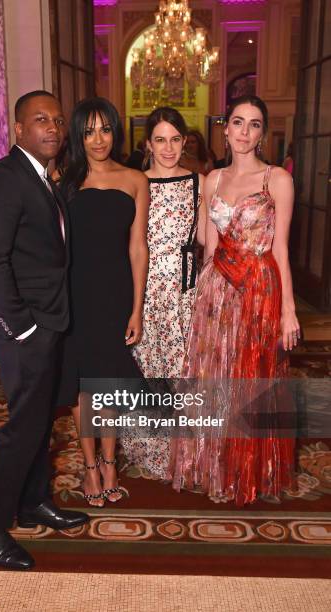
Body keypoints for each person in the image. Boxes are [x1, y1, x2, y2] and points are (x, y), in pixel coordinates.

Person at [0, 90, 89, 570]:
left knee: (41, 421)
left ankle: (32, 500)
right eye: (41, 120)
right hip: (21, 325)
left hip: (49, 318)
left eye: (58, 121)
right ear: (18, 128)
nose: (54, 129)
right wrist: (20, 327)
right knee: (23, 427)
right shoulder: (1, 179)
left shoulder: (42, 178)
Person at [168, 95, 299, 506]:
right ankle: (216, 464)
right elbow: (208, 245)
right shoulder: (213, 180)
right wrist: (199, 298)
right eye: (238, 123)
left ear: (262, 132)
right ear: (225, 128)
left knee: (250, 378)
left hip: (259, 287)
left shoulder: (276, 179)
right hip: (216, 287)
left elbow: (281, 251)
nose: (244, 132)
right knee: (215, 374)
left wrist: (289, 311)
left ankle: (249, 469)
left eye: (254, 124)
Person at [58, 97, 149, 507]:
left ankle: (111, 462)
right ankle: (90, 465)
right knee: (81, 388)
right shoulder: (62, 178)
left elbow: (138, 248)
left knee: (108, 384)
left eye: (106, 129)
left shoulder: (134, 179)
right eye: (89, 130)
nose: (98, 139)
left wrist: (136, 308)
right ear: (78, 134)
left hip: (115, 294)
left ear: (116, 131)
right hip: (74, 295)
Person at [120, 107, 205, 477]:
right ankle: (149, 448)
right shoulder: (134, 182)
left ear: (184, 142)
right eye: (160, 140)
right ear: (147, 144)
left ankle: (186, 451)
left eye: (175, 139)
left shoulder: (200, 182)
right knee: (147, 367)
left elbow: (207, 239)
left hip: (187, 292)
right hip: (145, 289)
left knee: (184, 369)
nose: (168, 148)